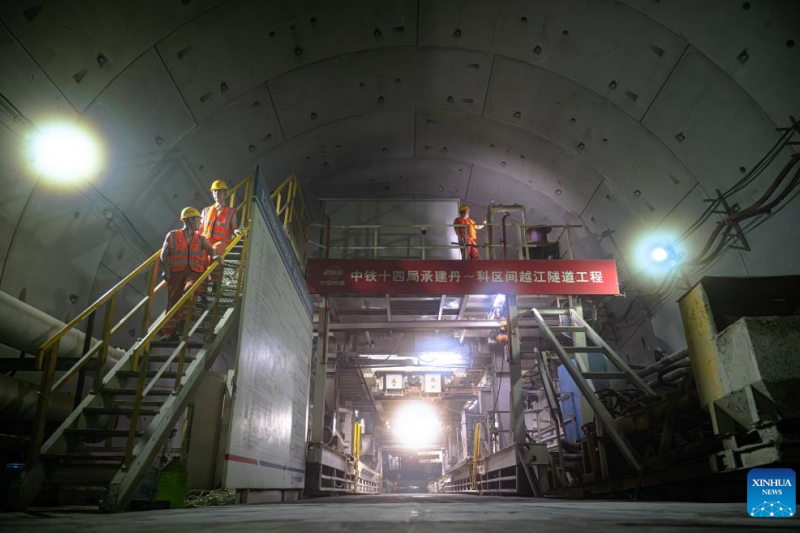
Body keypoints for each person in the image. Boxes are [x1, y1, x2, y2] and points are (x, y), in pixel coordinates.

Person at [160, 207, 220, 341]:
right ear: (189, 220)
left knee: (190, 290)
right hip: (176, 273)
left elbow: (211, 250)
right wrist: (165, 270)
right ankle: (168, 332)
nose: (200, 223)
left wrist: (214, 257)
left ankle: (184, 321)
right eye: (198, 220)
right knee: (173, 300)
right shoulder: (172, 235)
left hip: (194, 272)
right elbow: (163, 254)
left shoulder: (200, 238)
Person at [200, 180, 243, 293]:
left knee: (214, 252)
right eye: (214, 192)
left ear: (225, 193)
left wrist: (236, 231)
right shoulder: (205, 211)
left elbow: (233, 228)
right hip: (206, 240)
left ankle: (216, 281)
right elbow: (199, 230)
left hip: (221, 242)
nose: (216, 194)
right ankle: (202, 290)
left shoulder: (231, 211)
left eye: (219, 192)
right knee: (200, 259)